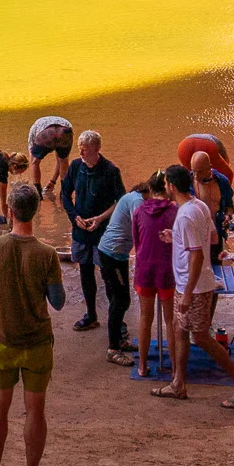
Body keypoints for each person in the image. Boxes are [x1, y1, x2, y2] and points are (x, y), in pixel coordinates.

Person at [0, 182, 68, 466]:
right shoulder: (47, 254)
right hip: (38, 342)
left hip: (3, 340)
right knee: (36, 411)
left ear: (10, 211)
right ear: (36, 211)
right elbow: (58, 302)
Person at [154, 164, 234, 408]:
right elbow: (211, 238)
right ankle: (178, 383)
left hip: (193, 286)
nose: (165, 187)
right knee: (179, 329)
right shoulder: (199, 206)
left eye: (166, 183)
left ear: (172, 187)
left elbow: (197, 255)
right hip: (192, 283)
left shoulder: (186, 214)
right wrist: (176, 237)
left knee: (201, 337)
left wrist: (187, 294)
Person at [59, 130, 126, 336]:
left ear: (96, 149)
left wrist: (100, 218)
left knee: (108, 276)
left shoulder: (110, 170)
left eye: (85, 149)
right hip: (81, 230)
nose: (81, 152)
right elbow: (65, 194)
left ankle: (116, 320)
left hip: (103, 231)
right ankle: (91, 315)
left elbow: (121, 201)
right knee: (85, 273)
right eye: (79, 148)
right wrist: (74, 216)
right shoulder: (76, 167)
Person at [129, 169, 178, 376]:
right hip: (167, 270)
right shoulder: (175, 211)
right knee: (170, 320)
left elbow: (136, 242)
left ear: (149, 188)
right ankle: (176, 368)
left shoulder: (139, 211)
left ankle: (142, 365)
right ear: (167, 189)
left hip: (144, 268)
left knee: (145, 317)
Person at [94, 169, 144, 357]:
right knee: (121, 300)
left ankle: (118, 341)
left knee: (120, 299)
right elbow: (139, 229)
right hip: (112, 254)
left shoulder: (133, 197)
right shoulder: (138, 201)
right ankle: (113, 348)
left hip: (117, 254)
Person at [26, 115, 75, 211]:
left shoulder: (33, 132)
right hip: (65, 129)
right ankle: (64, 195)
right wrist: (53, 181)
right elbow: (60, 162)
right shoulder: (63, 125)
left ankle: (38, 195)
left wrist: (52, 181)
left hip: (45, 133)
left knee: (35, 162)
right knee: (63, 160)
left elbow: (33, 162)